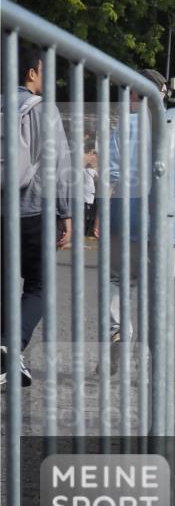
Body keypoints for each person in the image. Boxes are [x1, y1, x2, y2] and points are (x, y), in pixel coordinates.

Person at [103, 68, 175, 374]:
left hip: (126, 220)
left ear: (134, 93)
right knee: (158, 291)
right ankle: (154, 361)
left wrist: (99, 216)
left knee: (118, 281)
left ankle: (119, 330)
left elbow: (111, 177)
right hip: (167, 223)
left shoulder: (122, 127)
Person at [1, 43, 74, 387]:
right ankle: (8, 348)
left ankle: (6, 359)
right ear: (31, 73)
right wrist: (66, 212)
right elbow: (59, 169)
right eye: (45, 71)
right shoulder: (45, 111)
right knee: (40, 285)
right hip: (32, 210)